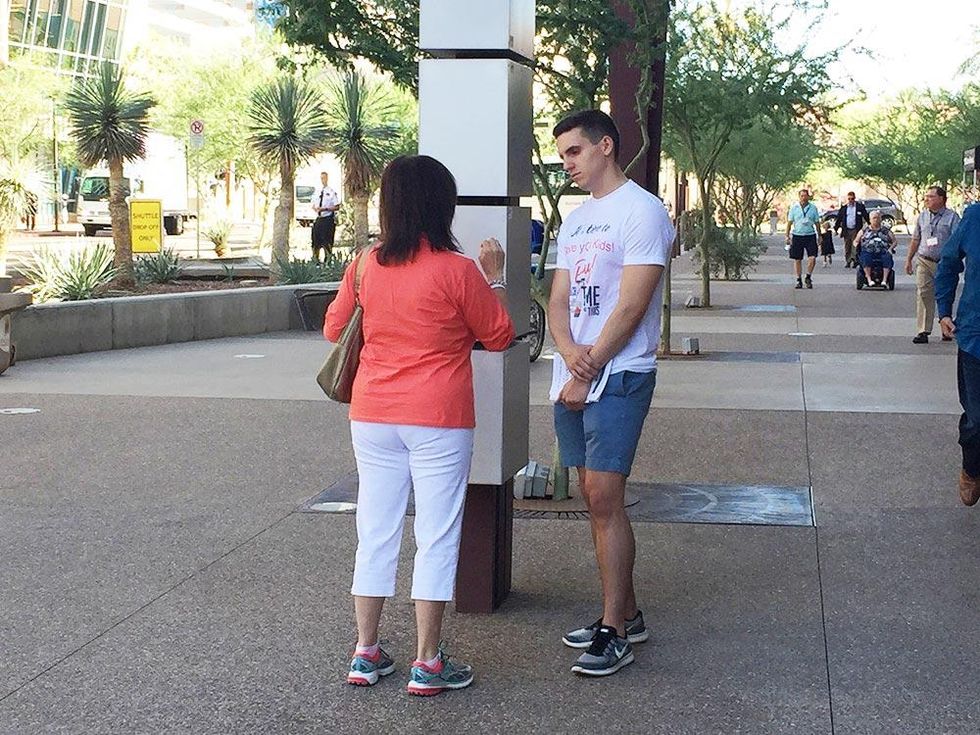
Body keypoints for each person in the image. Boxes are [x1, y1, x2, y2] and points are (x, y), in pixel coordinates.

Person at [323, 155, 515, 695]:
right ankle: (427, 662)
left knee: (376, 529)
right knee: (436, 534)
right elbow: (498, 335)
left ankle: (366, 652)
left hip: (374, 414)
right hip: (440, 416)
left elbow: (334, 328)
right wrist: (494, 280)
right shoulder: (458, 271)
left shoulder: (365, 264)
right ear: (442, 205)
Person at [547, 110, 674, 677]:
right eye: (562, 156)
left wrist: (588, 364)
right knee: (591, 495)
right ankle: (626, 610)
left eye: (573, 152)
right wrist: (568, 353)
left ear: (605, 146)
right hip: (572, 370)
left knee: (604, 496)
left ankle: (614, 630)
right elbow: (557, 298)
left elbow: (633, 304)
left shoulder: (643, 212)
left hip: (621, 372)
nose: (566, 164)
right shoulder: (575, 222)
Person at [934, 199, 980, 505]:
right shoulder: (974, 217)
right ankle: (972, 469)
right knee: (977, 420)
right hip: (976, 335)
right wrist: (944, 310)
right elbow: (948, 263)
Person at [907, 186, 961, 344]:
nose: (927, 199)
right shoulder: (922, 216)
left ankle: (946, 327)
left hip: (945, 263)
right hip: (925, 260)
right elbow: (916, 239)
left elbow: (957, 241)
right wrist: (909, 259)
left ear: (941, 199)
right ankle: (923, 330)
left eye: (930, 196)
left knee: (946, 295)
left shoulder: (952, 218)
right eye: (926, 196)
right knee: (923, 293)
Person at [786, 189, 821, 289]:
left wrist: (820, 236)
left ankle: (808, 276)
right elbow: (789, 223)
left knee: (812, 257)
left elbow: (817, 223)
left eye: (805, 196)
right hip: (797, 235)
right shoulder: (794, 208)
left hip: (810, 235)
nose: (803, 198)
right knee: (797, 259)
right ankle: (798, 279)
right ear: (799, 197)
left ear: (808, 197)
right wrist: (787, 235)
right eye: (802, 196)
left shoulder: (813, 208)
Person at [856, 210, 895, 286]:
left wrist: (890, 249)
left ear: (881, 219)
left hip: (883, 251)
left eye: (878, 218)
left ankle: (884, 279)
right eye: (874, 218)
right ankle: (869, 279)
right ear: (870, 220)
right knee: (866, 258)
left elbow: (894, 241)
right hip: (868, 251)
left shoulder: (885, 230)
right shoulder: (864, 230)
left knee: (887, 257)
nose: (876, 220)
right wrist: (857, 247)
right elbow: (856, 241)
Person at [834, 192, 870, 268]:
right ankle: (848, 261)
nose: (850, 200)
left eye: (852, 199)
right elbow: (839, 219)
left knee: (855, 246)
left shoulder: (860, 207)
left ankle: (855, 260)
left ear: (855, 198)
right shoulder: (844, 208)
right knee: (847, 246)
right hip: (846, 229)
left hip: (856, 229)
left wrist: (870, 225)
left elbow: (866, 216)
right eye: (849, 199)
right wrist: (836, 228)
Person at [311, 172, 340, 262]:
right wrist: (315, 209)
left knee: (327, 241)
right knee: (315, 241)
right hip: (318, 219)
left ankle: (328, 260)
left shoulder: (331, 192)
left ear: (327, 179)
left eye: (324, 178)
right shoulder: (317, 192)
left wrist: (325, 209)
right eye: (321, 178)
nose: (322, 180)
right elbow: (313, 204)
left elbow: (337, 206)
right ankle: (316, 261)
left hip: (327, 219)